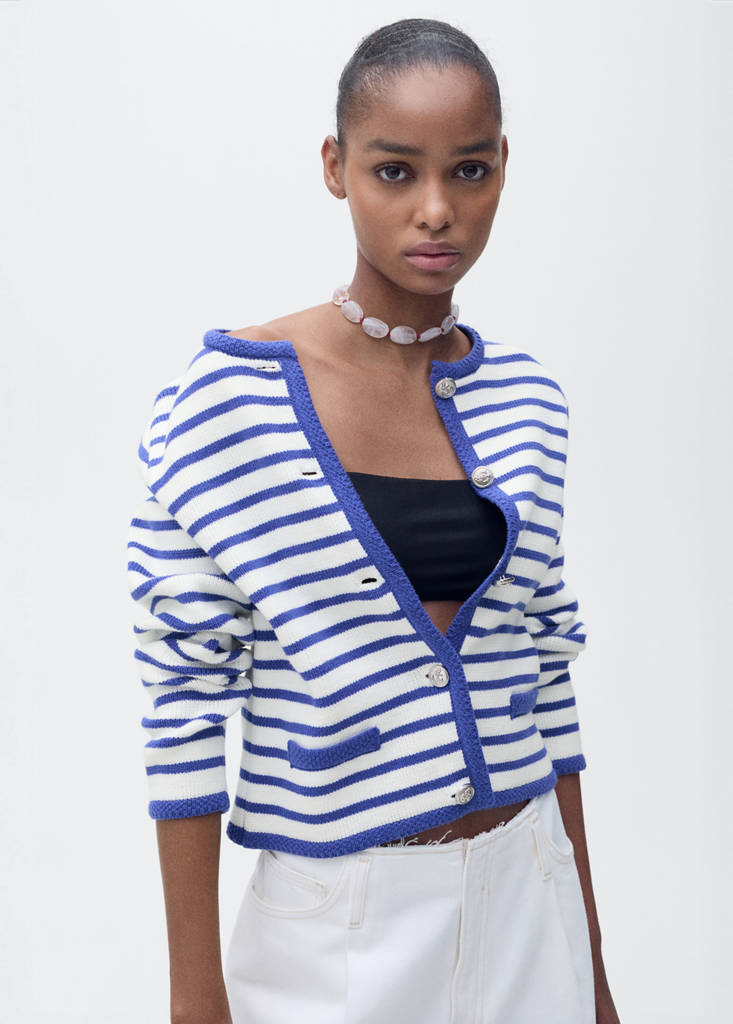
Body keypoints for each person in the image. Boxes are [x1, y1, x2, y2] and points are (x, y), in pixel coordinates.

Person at [126, 17, 620, 1024]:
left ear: (501, 168)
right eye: (395, 171)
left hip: (529, 897)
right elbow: (183, 700)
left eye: (468, 170)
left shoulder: (529, 402)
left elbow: (546, 673)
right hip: (339, 924)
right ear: (334, 167)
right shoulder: (227, 401)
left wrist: (594, 968)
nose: (436, 210)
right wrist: (193, 995)